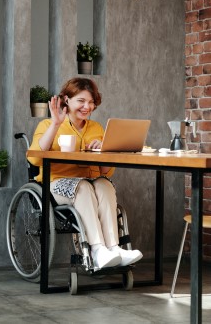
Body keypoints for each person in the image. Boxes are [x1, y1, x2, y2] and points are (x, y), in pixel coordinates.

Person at [28, 77, 143, 269]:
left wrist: (105, 150)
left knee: (104, 184)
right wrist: (55, 124)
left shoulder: (96, 129)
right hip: (56, 184)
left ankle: (114, 248)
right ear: (67, 100)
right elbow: (35, 159)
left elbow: (106, 171)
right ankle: (97, 250)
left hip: (89, 183)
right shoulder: (48, 125)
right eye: (81, 101)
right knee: (83, 187)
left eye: (90, 102)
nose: (86, 106)